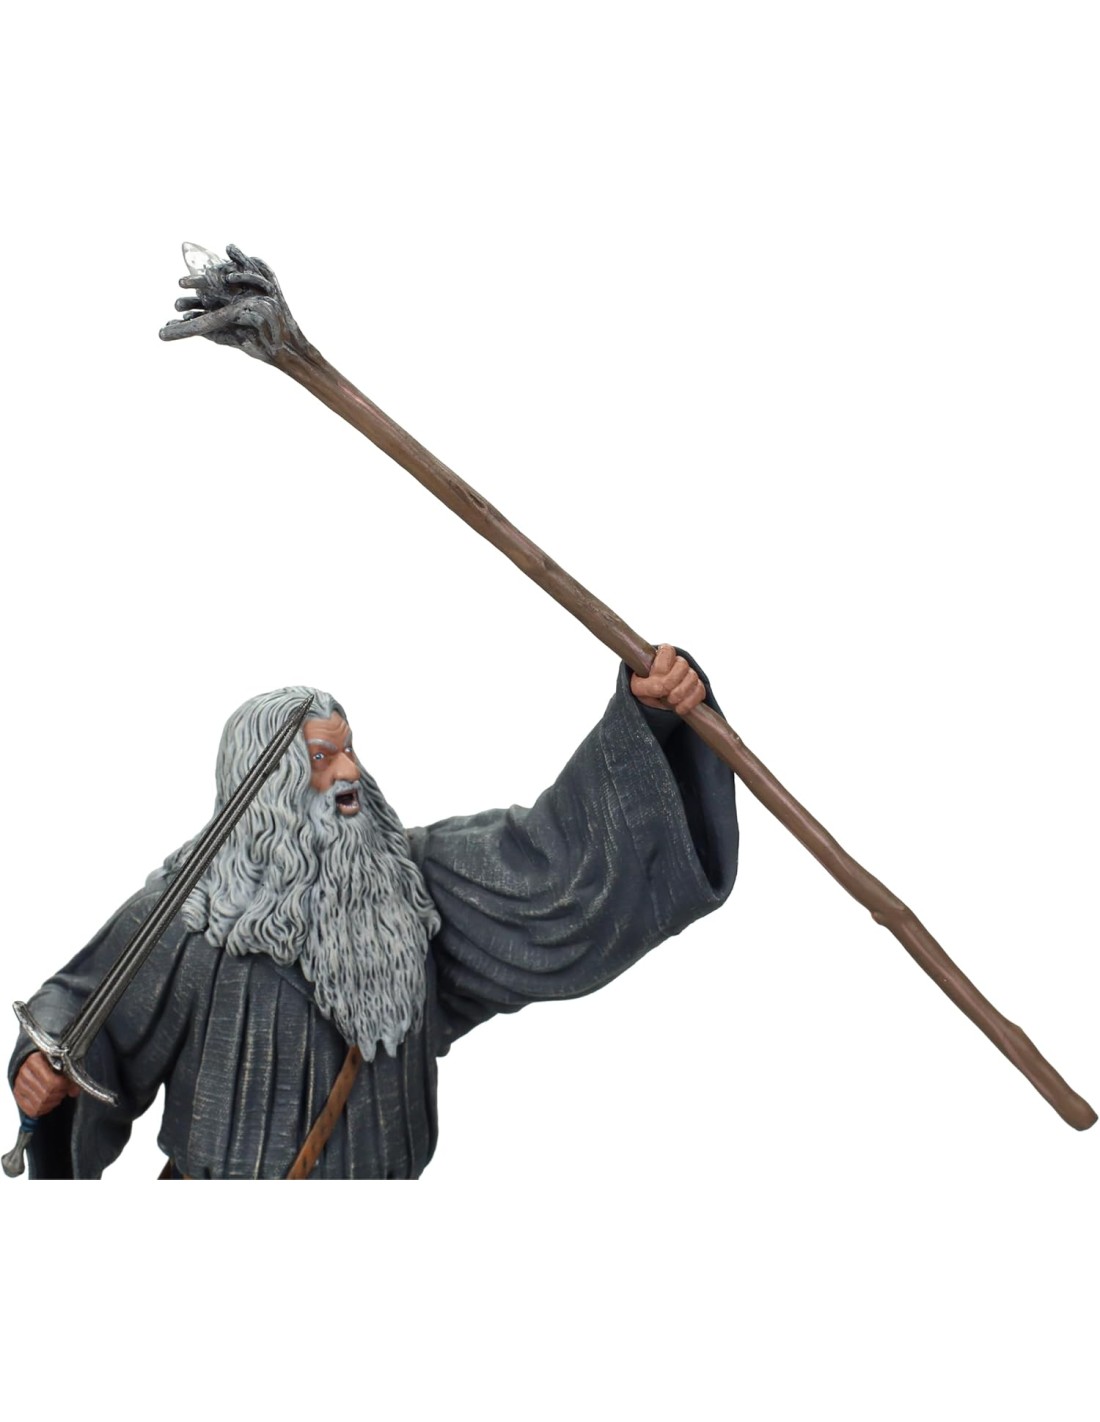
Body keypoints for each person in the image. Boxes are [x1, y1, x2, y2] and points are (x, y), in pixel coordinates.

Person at [9, 647, 738, 1178]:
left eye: (349, 750)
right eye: (322, 760)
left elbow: (549, 868)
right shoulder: (191, 919)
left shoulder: (412, 889)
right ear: (267, 786)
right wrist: (42, 1072)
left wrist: (647, 720)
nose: (350, 772)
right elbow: (83, 1015)